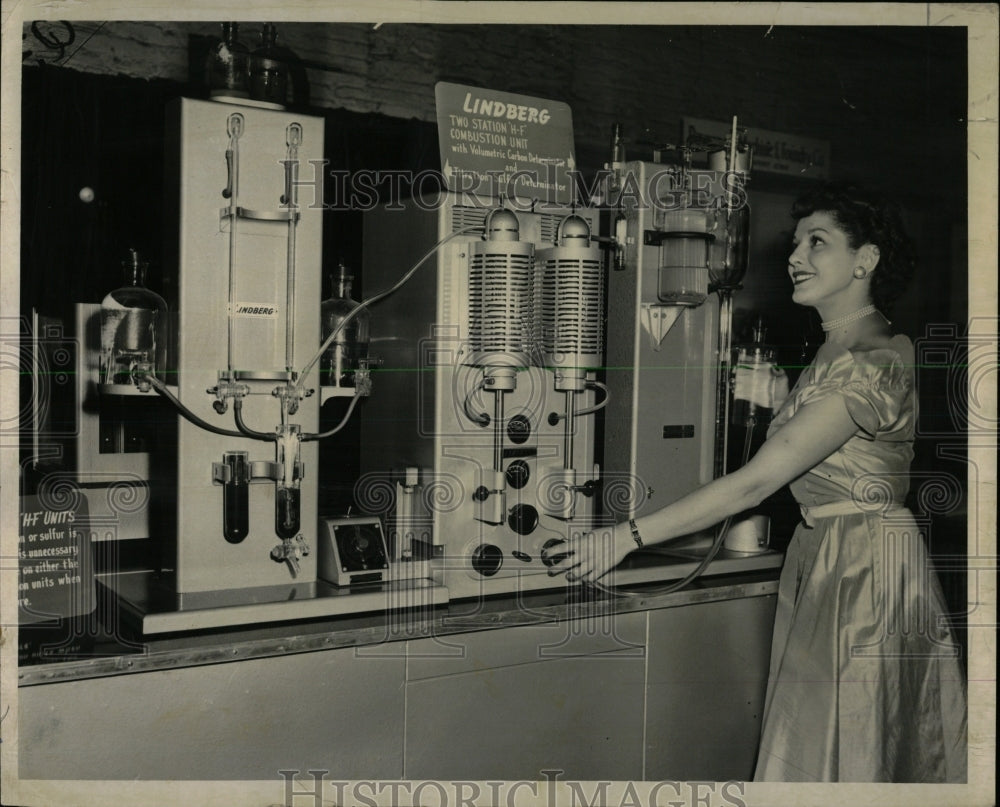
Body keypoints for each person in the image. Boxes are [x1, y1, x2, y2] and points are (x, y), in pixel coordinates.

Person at [543, 182, 967, 783]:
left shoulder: (870, 356)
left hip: (865, 566)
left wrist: (626, 536)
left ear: (865, 261)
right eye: (796, 243)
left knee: (845, 747)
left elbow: (754, 484)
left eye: (817, 243)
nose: (796, 257)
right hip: (829, 555)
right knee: (828, 744)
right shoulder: (834, 349)